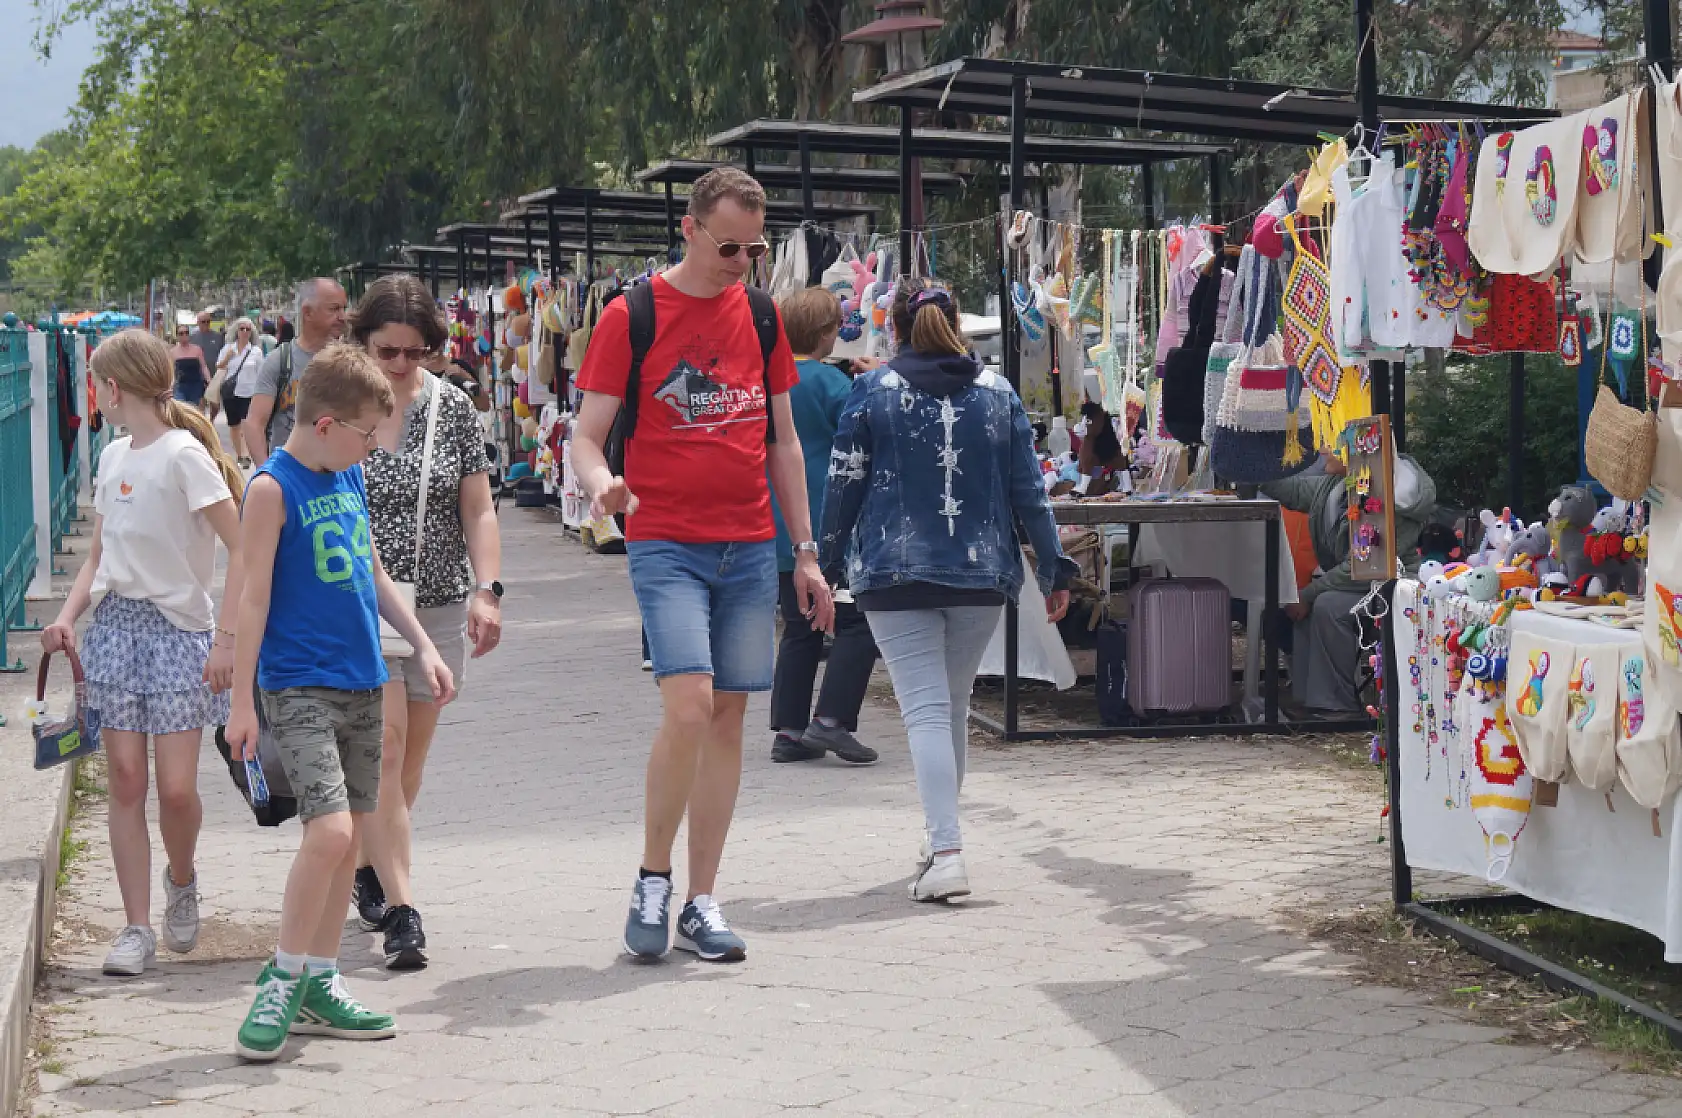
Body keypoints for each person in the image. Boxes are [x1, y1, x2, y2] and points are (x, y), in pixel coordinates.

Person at [571, 167, 834, 964]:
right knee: (689, 705)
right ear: (687, 229)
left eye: (755, 248)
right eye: (729, 246)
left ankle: (701, 899)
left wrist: (806, 553)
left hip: (751, 544)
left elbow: (782, 441)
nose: (744, 262)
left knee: (728, 717)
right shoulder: (633, 314)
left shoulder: (760, 316)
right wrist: (601, 486)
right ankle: (653, 877)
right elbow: (585, 434)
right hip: (667, 544)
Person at [224, 343, 454, 1062]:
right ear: (326, 424)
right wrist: (241, 702)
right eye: (366, 436)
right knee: (327, 834)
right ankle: (283, 977)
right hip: (298, 687)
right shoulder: (272, 489)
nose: (372, 451)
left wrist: (421, 643)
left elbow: (374, 572)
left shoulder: (342, 478)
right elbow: (252, 596)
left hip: (363, 679)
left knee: (350, 837)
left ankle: (318, 981)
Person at [820, 280, 1076, 904]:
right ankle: (941, 845)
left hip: (892, 570)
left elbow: (843, 485)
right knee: (950, 708)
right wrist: (1054, 567)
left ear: (898, 329)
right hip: (982, 573)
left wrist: (823, 563)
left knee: (927, 712)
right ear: (956, 324)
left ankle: (949, 850)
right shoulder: (998, 393)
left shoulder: (870, 390)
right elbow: (1029, 490)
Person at [39, 329, 246, 978]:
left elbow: (244, 547)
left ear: (113, 388)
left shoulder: (186, 455)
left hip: (180, 634)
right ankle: (135, 928)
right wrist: (68, 617)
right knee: (127, 780)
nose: (94, 395)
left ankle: (180, 878)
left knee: (177, 790)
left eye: (96, 383)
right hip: (117, 634)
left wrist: (227, 639)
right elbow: (100, 556)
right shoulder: (113, 458)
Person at [348, 275, 502, 970]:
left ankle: (367, 864)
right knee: (382, 748)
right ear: (363, 342)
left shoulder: (455, 408)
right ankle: (404, 913)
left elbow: (478, 506)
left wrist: (487, 589)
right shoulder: (339, 406)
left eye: (416, 352)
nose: (403, 364)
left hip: (437, 599)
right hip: (362, 603)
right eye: (389, 350)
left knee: (407, 766)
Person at [768, 286, 879, 766]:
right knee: (857, 621)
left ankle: (789, 732)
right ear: (826, 333)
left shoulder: (771, 380)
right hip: (828, 522)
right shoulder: (832, 384)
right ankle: (831, 719)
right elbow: (867, 429)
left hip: (779, 524)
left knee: (799, 629)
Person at [1263, 448, 1437, 713]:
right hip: (1363, 583)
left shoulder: (1385, 495)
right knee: (1315, 600)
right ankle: (1312, 697)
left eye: (1331, 443)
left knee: (1328, 605)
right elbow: (1296, 491)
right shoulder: (1341, 483)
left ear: (1354, 451)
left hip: (1395, 587)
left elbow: (1366, 565)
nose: (1322, 450)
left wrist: (1308, 595)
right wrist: (1251, 468)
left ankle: (1336, 705)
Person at [245, 279, 347, 465]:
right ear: (308, 312)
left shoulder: (349, 362)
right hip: (290, 478)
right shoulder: (280, 361)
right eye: (334, 309)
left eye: (343, 309)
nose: (342, 317)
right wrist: (267, 473)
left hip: (337, 479)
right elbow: (254, 423)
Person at [218, 317, 264, 468]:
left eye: (247, 329)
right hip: (230, 391)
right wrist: (227, 357)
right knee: (234, 425)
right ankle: (240, 455)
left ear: (251, 332)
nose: (244, 332)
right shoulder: (228, 348)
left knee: (246, 424)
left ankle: (247, 454)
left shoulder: (256, 352)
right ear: (236, 331)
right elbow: (220, 366)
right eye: (241, 329)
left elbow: (261, 373)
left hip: (248, 392)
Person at [169, 323, 210, 409]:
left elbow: (203, 366)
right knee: (181, 409)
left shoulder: (197, 349)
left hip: (196, 386)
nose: (184, 335)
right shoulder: (173, 352)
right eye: (181, 333)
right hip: (180, 386)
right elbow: (171, 370)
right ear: (177, 336)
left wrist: (209, 380)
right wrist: (170, 386)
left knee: (194, 411)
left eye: (186, 332)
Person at [189, 310, 224, 397]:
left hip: (214, 376)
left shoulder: (218, 337)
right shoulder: (192, 337)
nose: (206, 324)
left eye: (208, 321)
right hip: (198, 376)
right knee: (200, 403)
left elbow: (223, 355)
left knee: (215, 405)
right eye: (203, 322)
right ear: (198, 322)